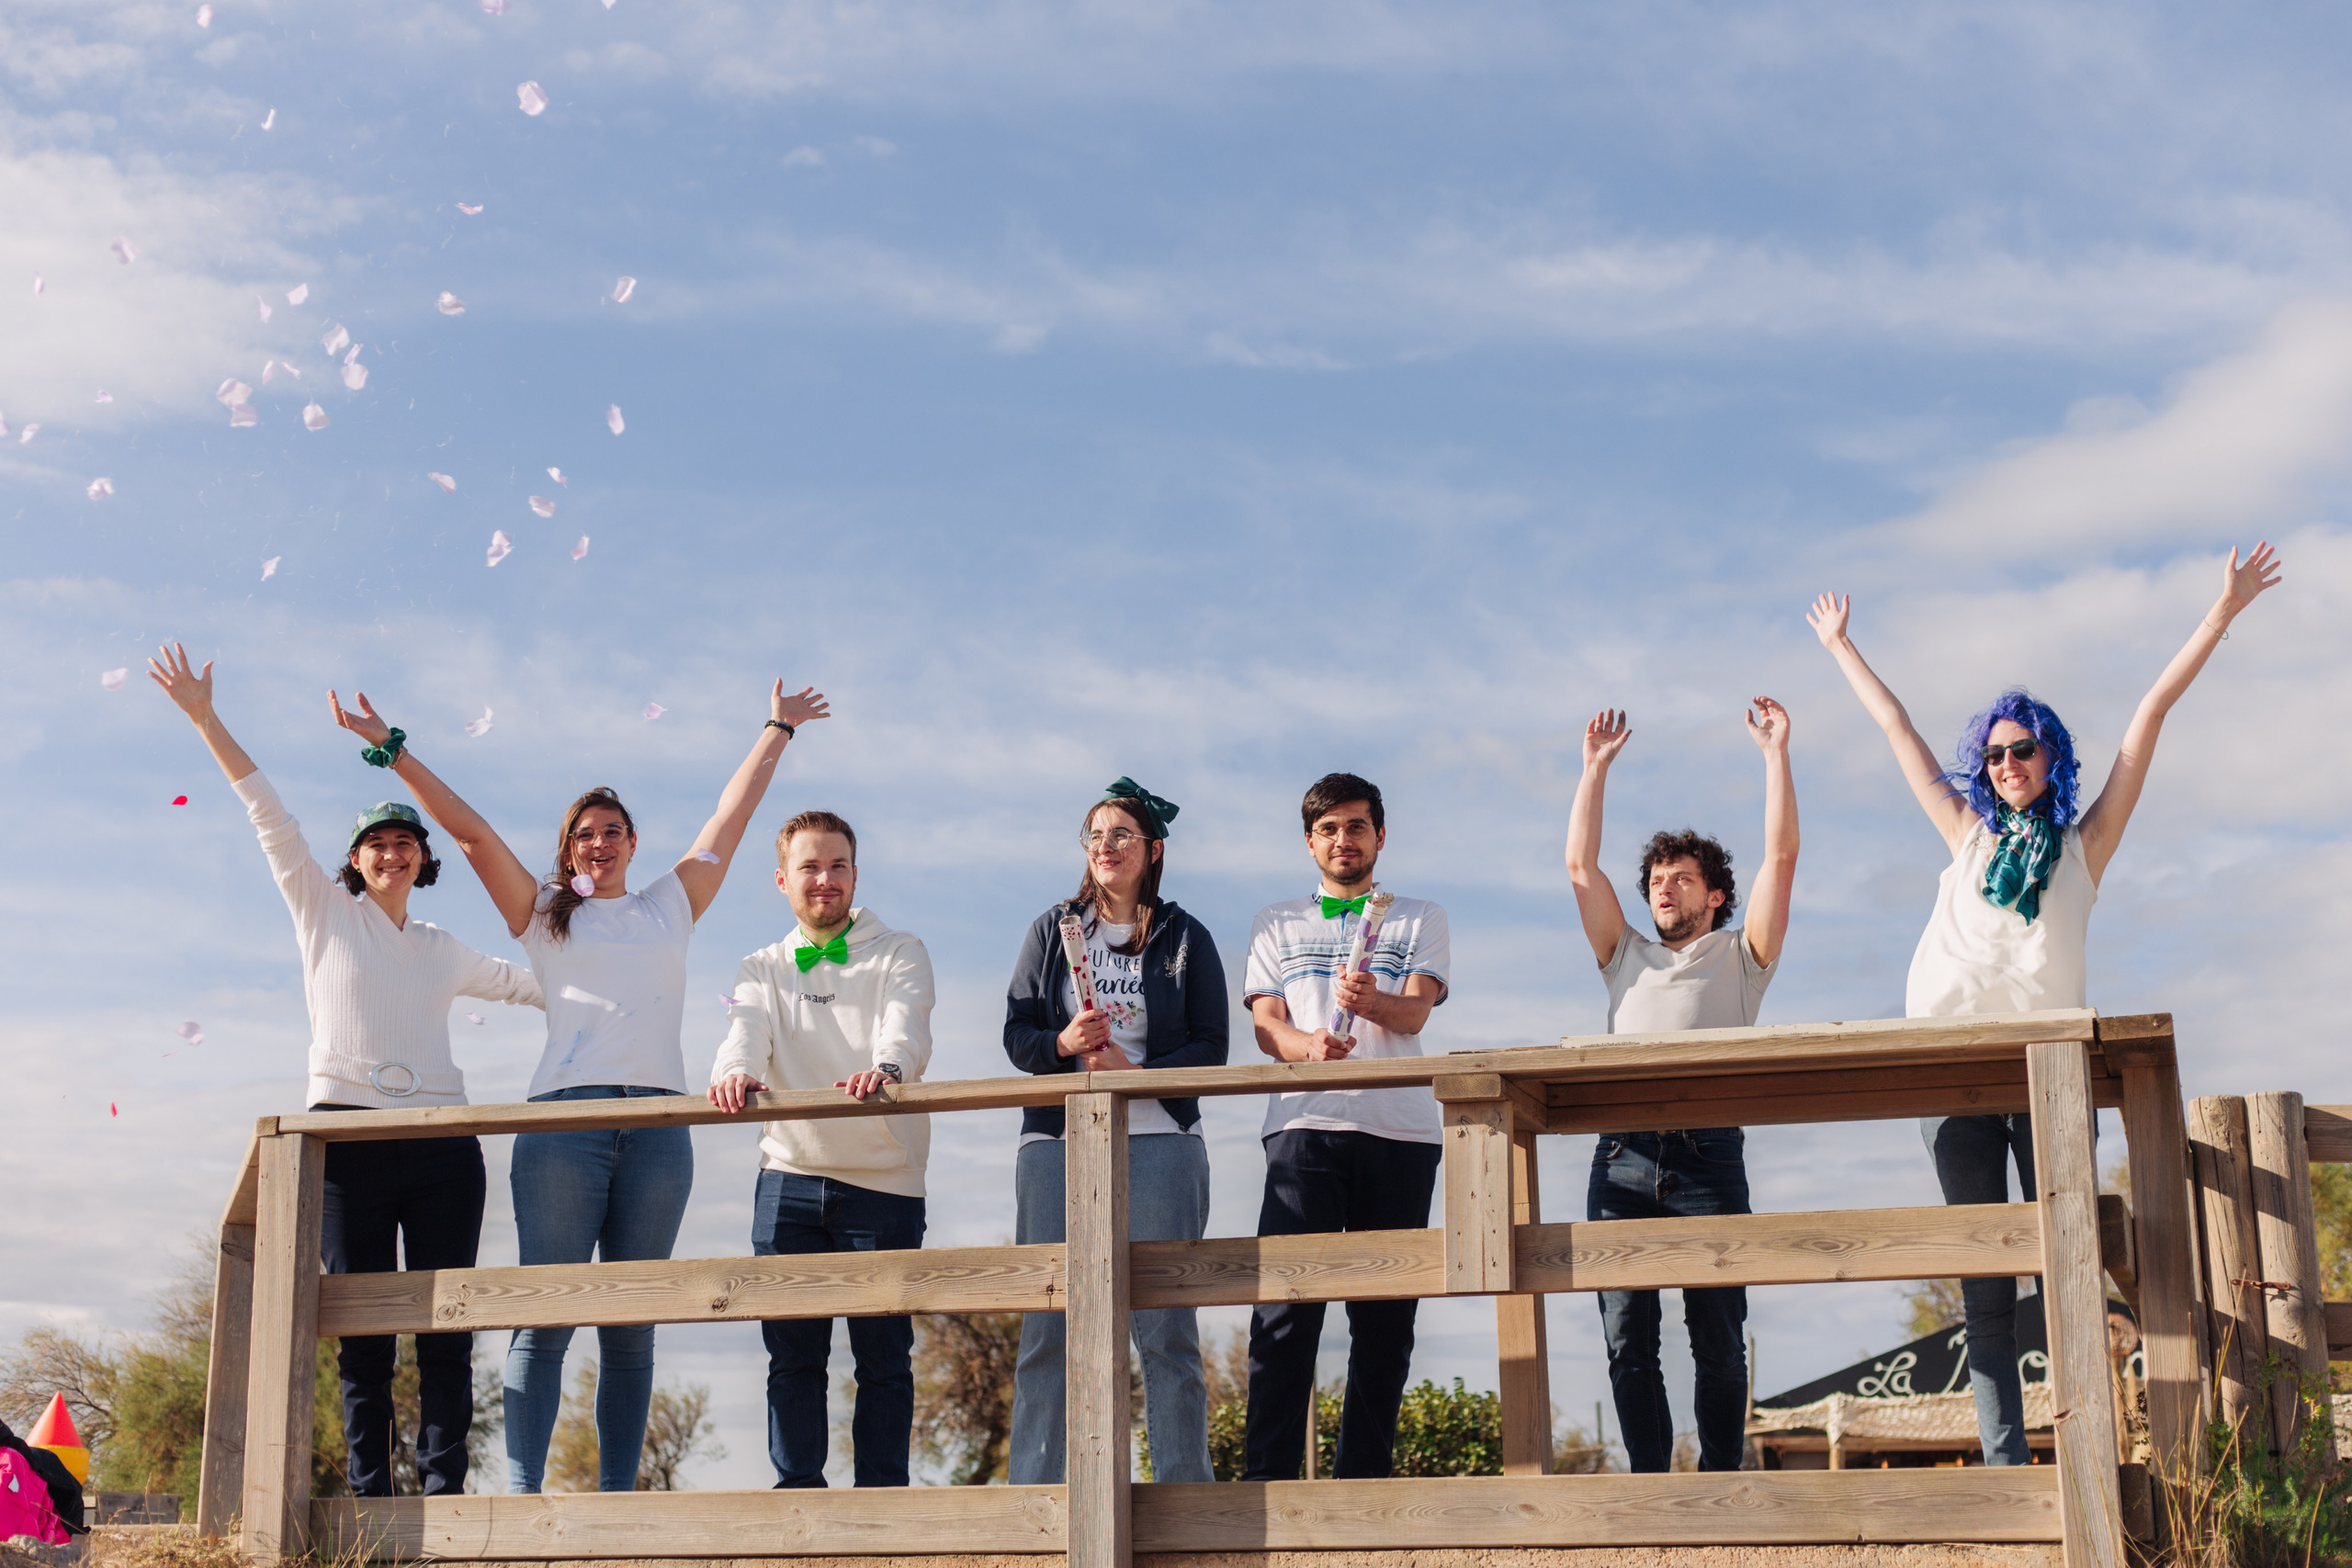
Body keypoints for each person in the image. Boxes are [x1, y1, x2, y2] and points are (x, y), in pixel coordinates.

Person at [1808, 542, 2281, 1465]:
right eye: (1993, 754)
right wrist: (1840, 650)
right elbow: (1899, 733)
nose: (2007, 762)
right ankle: (2003, 1462)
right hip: (1950, 1074)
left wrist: (2220, 613)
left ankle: (2087, 1444)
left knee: (2066, 1265)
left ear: (2047, 755)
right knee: (1985, 1281)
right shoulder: (1965, 837)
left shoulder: (2081, 846)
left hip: (2050, 1074)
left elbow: (2145, 721)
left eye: (2022, 749)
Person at [327, 676, 830, 1493]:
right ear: (569, 851)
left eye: (613, 831)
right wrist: (393, 750)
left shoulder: (672, 903)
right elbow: (473, 833)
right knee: (546, 1318)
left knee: (632, 1329)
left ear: (633, 842)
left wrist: (777, 727)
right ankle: (525, 1505)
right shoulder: (545, 913)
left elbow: (729, 823)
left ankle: (617, 1505)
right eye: (585, 834)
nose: (600, 842)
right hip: (565, 1129)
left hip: (661, 1134)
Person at [149, 645, 543, 1498]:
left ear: (423, 859)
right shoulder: (324, 913)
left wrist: (622, 966)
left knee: (445, 1327)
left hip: (442, 1148)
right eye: (376, 843)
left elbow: (535, 984)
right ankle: (371, 1497)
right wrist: (205, 717)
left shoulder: (442, 949)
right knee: (361, 1335)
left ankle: (443, 1493)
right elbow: (266, 811)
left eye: (405, 842)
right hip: (348, 1144)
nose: (391, 853)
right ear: (354, 860)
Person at [1561, 700, 1798, 1473]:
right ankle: (1652, 1490)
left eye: (1681, 878)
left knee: (1719, 1340)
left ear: (1715, 894)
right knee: (1629, 1339)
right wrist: (1593, 767)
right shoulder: (1622, 952)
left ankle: (1724, 1485)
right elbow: (1578, 868)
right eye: (1657, 879)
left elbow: (1782, 859)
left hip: (1708, 1160)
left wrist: (1774, 755)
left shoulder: (1741, 955)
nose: (1664, 888)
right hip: (1621, 1159)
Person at [1002, 779, 1227, 1485]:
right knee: (1049, 1326)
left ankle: (1185, 1495)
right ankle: (1037, 1498)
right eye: (1094, 833)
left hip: (1160, 1139)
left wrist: (1138, 1067)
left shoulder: (1185, 936)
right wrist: (1065, 1040)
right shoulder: (1052, 927)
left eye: (1121, 833)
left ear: (1153, 849)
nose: (1105, 845)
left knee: (1166, 1329)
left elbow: (1212, 1045)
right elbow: (1017, 1034)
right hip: (1060, 1142)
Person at [707, 810, 936, 1489]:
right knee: (793, 1356)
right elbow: (743, 1032)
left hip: (884, 1181)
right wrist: (735, 1072)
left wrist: (888, 1068)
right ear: (783, 880)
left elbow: (907, 1026)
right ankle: (799, 1503)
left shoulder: (901, 949)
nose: (825, 879)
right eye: (810, 866)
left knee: (884, 1358)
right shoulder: (761, 965)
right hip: (790, 1176)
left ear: (855, 875)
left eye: (837, 865)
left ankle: (883, 1505)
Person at [1239, 773, 1449, 1481]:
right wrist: (1308, 1047)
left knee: (1385, 1322)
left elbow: (1415, 1012)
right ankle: (1264, 1485)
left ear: (1380, 835)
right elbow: (1268, 1025)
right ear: (1310, 842)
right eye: (1328, 828)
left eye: (1356, 826)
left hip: (1400, 1131)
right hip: (1304, 1125)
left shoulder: (1419, 916)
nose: (1343, 839)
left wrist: (1376, 1001)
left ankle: (1364, 1485)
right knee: (1286, 1312)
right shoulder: (1275, 921)